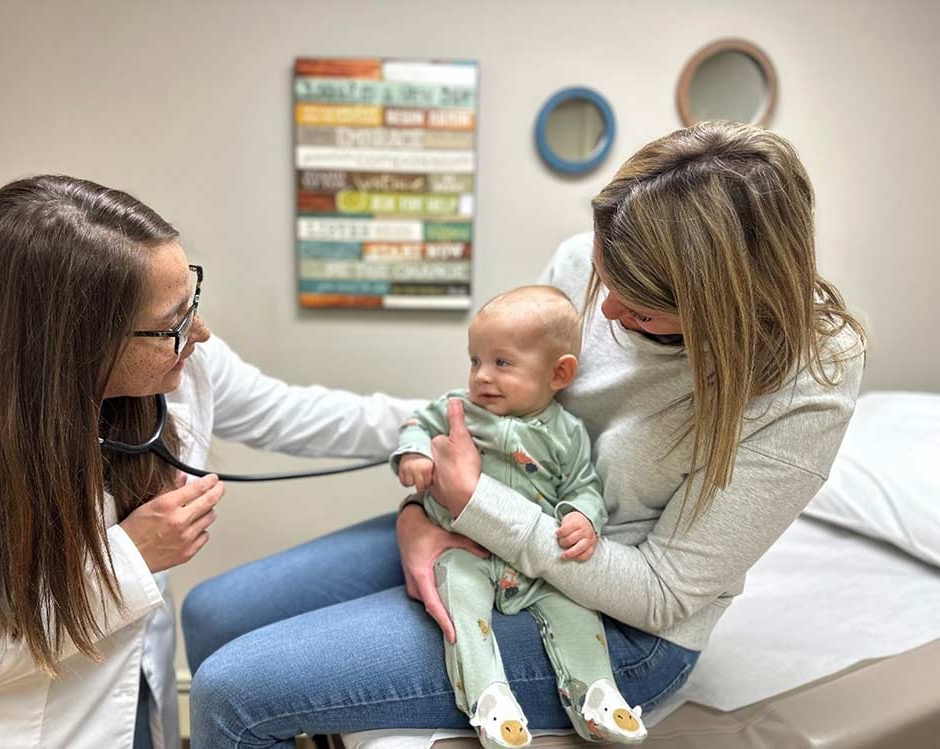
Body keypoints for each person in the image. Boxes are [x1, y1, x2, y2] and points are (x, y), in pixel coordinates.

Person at [185, 120, 866, 748]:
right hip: (486, 530)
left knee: (231, 693)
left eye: (644, 311)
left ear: (722, 308)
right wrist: (418, 517)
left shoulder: (806, 385)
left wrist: (476, 504)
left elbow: (665, 591)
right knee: (213, 611)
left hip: (619, 621)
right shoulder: (587, 265)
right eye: (605, 276)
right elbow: (491, 419)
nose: (607, 309)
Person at [0, 175, 422, 749]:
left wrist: (454, 420)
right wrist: (127, 562)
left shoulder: (182, 366)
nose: (199, 332)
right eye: (171, 323)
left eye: (190, 299)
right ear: (70, 346)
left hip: (134, 692)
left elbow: (298, 414)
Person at [393, 285, 646, 747]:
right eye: (475, 361)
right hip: (463, 548)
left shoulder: (567, 433)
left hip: (536, 566)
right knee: (460, 603)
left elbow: (583, 487)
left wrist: (583, 519)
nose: (481, 376)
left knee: (576, 607)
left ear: (559, 373)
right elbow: (415, 424)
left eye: (501, 363)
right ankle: (490, 701)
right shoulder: (459, 410)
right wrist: (414, 454)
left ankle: (597, 696)